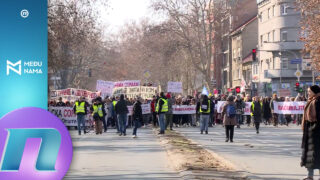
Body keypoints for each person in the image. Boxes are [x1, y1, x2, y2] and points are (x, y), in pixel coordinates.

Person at [301, 85, 320, 180]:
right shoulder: (311, 101)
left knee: (317, 155)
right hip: (310, 132)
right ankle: (310, 176)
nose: (308, 93)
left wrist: (314, 128)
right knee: (309, 155)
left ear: (314, 92)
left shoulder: (317, 102)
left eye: (309, 91)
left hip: (316, 133)